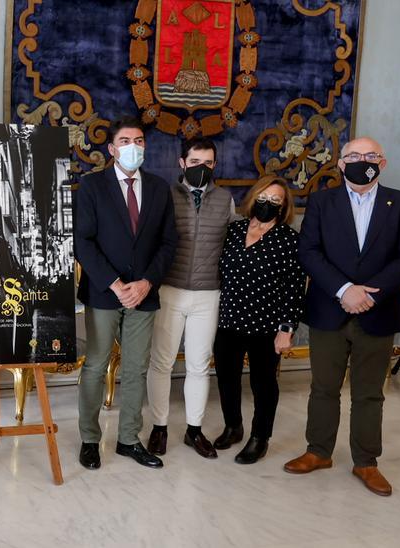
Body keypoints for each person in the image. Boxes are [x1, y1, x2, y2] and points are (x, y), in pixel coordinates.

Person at [284, 136, 400, 496]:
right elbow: (309, 251)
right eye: (355, 155)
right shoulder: (321, 201)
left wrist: (369, 293)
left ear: (384, 162)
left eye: (372, 155)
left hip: (378, 311)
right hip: (329, 309)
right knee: (323, 388)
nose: (364, 160)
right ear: (341, 164)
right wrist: (345, 290)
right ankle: (319, 452)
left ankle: (366, 462)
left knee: (369, 393)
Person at [73, 115, 178, 471]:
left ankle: (129, 439)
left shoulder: (160, 188)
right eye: (126, 141)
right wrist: (115, 284)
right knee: (95, 365)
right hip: (105, 292)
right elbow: (82, 242)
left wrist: (146, 282)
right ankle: (89, 438)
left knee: (136, 369)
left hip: (144, 293)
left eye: (139, 141)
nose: (133, 147)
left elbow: (168, 243)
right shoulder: (92, 186)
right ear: (112, 148)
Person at [145, 138, 239, 459]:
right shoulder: (164, 196)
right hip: (169, 289)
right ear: (182, 163)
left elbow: (232, 246)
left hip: (208, 294)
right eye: (196, 162)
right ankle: (159, 428)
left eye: (208, 163)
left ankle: (194, 431)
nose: (202, 168)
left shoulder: (225, 199)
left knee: (199, 366)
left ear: (215, 165)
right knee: (161, 363)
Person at [212, 176, 304, 464]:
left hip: (266, 326)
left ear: (284, 206)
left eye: (276, 200)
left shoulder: (289, 240)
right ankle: (233, 426)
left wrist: (286, 330)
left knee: (263, 384)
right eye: (264, 197)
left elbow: (293, 288)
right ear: (253, 198)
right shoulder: (233, 230)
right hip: (228, 320)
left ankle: (259, 437)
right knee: (227, 378)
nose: (268, 203)